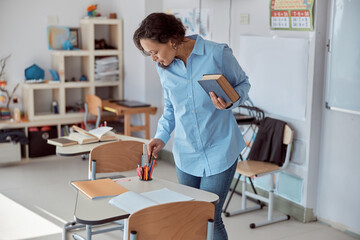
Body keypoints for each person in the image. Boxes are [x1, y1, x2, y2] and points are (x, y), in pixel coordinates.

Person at [133, 12, 250, 240]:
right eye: (150, 55)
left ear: (172, 39)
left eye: (155, 52)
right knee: (189, 214)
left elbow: (243, 84)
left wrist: (231, 100)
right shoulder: (164, 68)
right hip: (186, 153)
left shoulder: (217, 53)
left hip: (220, 149)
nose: (154, 59)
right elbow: (170, 108)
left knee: (209, 215)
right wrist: (160, 136)